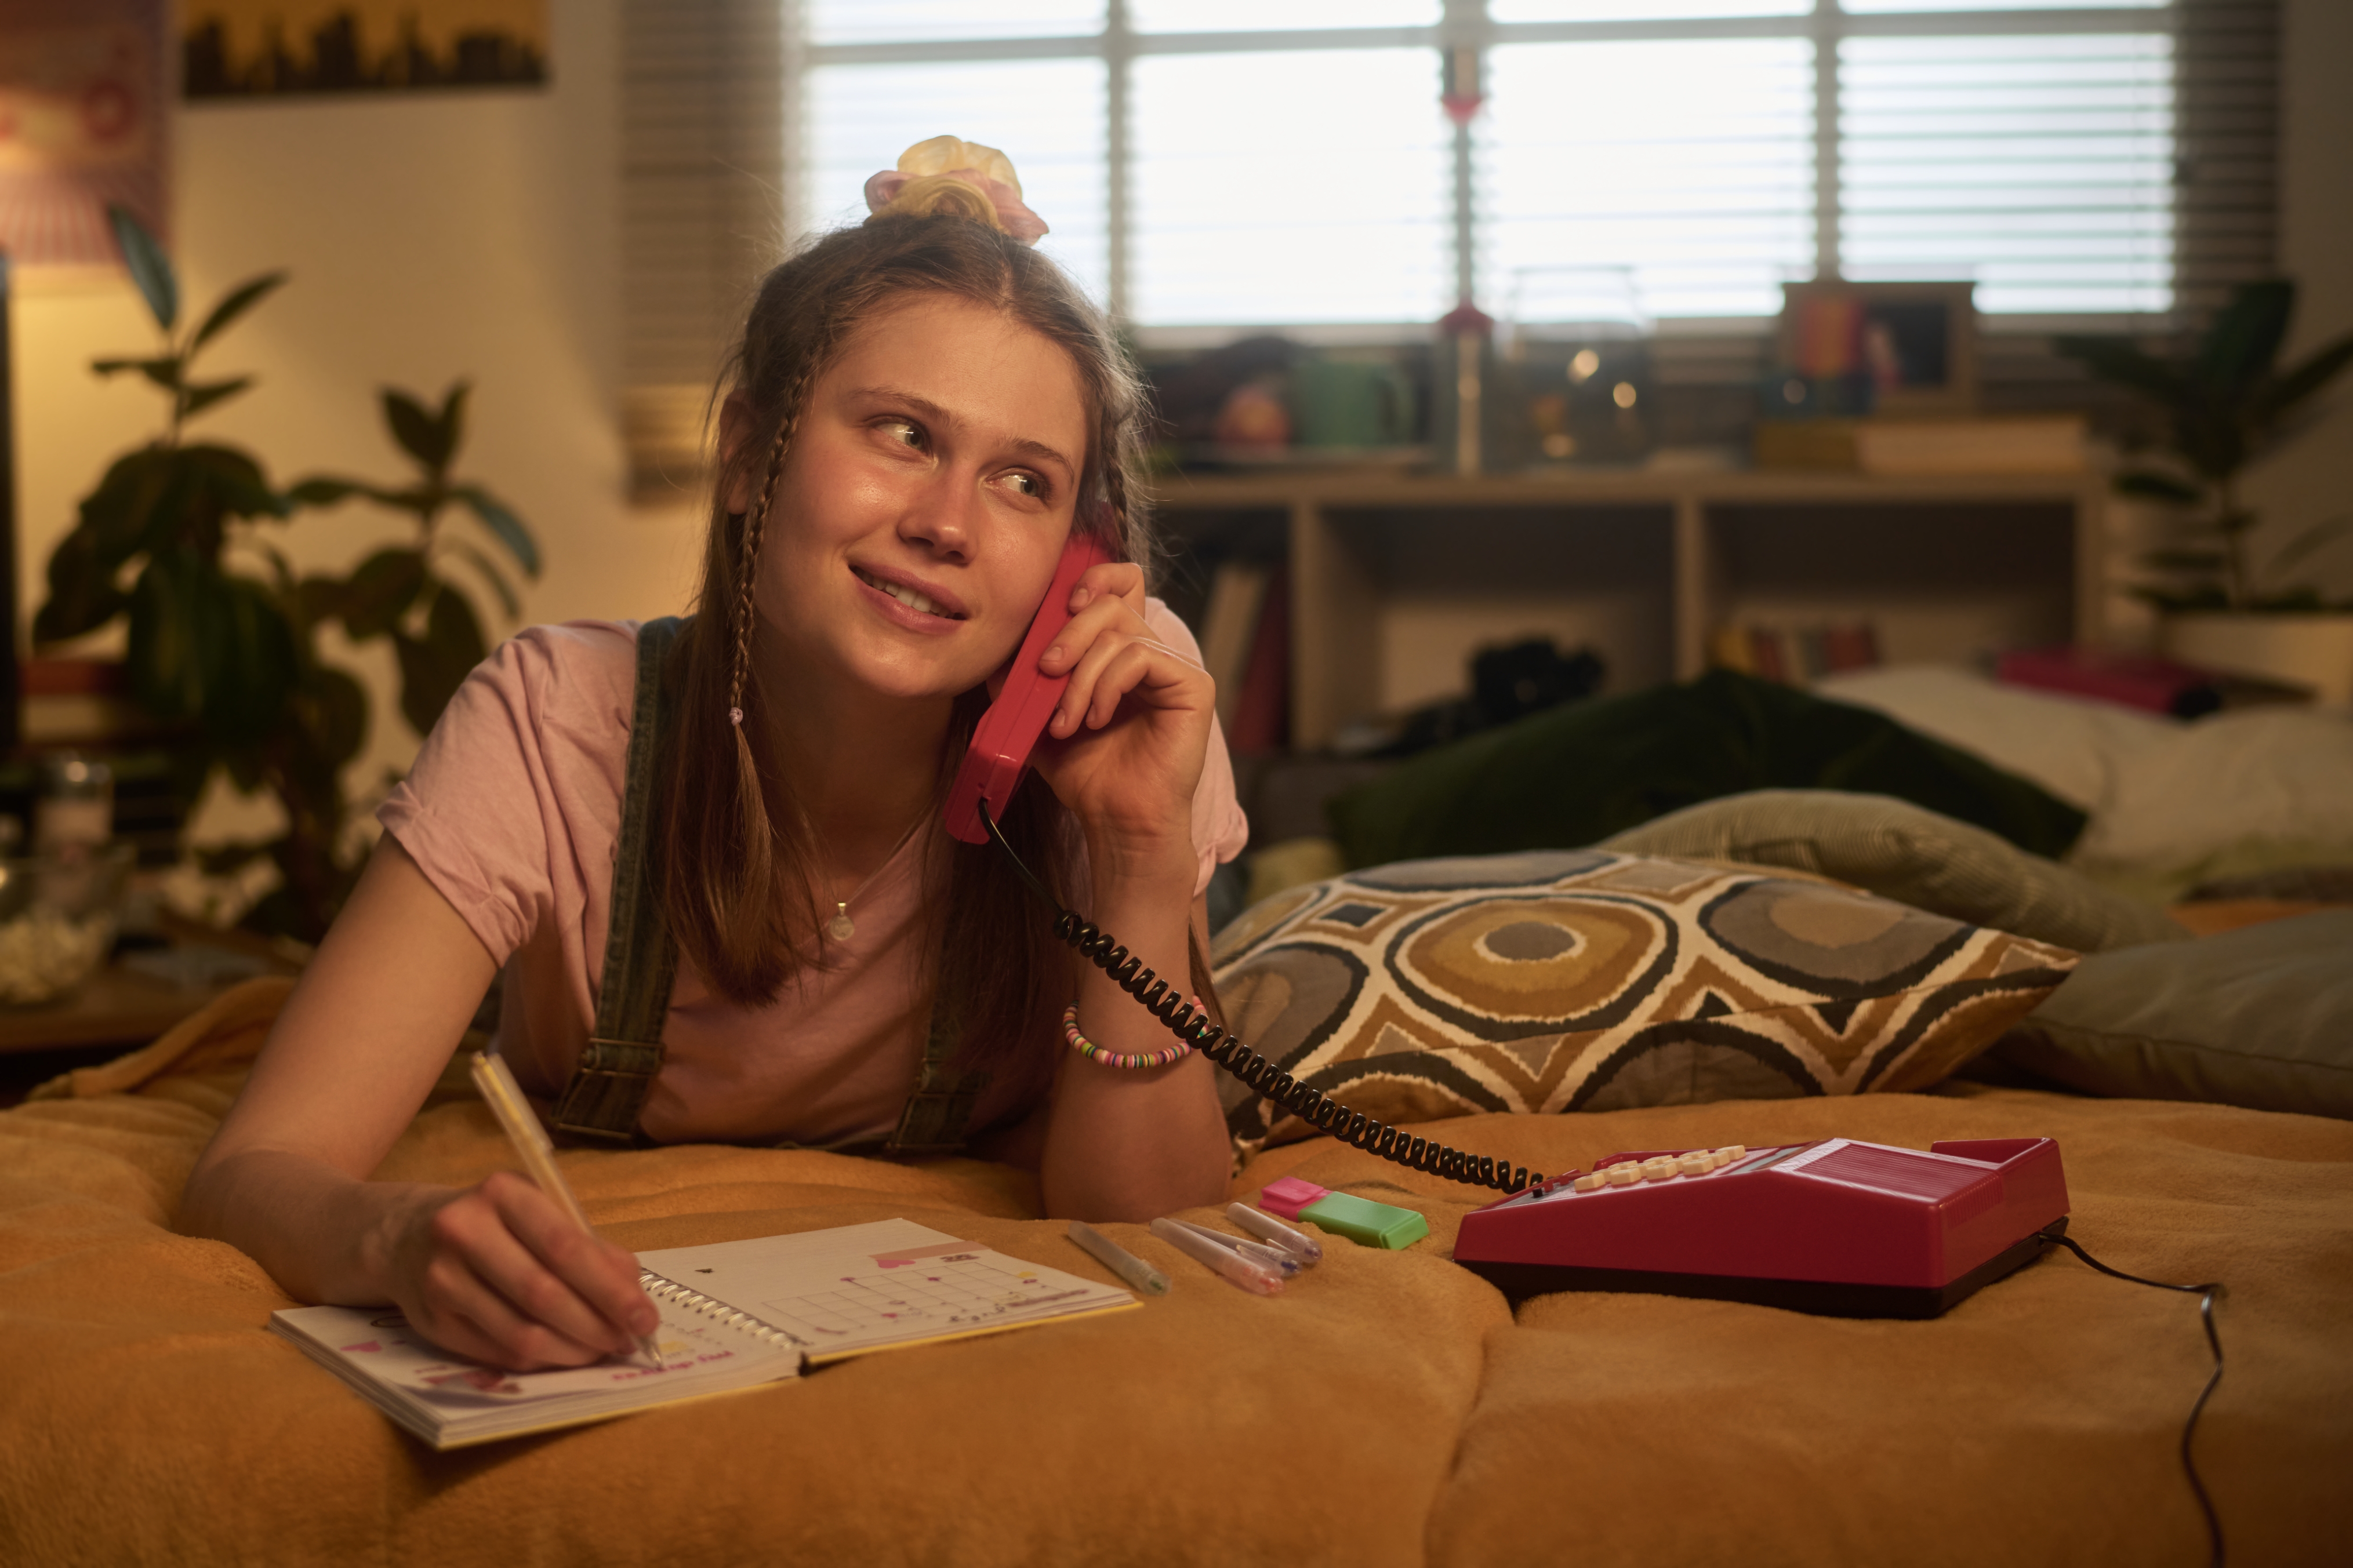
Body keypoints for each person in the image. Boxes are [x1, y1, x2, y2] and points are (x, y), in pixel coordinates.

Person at [180, 137, 1248, 1374]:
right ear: (750, 454)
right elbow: (252, 1173)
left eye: (1022, 481)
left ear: (1077, 549)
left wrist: (1132, 851)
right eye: (902, 434)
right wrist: (397, 1240)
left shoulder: (1125, 721)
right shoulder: (554, 723)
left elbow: (1160, 1220)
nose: (947, 525)